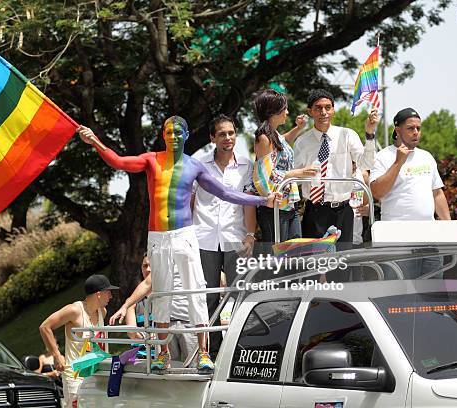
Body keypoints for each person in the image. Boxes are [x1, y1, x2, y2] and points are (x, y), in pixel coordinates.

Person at [78, 116, 278, 371]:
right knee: (161, 295)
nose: (173, 136)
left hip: (185, 235)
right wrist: (94, 140)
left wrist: (264, 201)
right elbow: (118, 162)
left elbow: (226, 193)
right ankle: (163, 353)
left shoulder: (194, 166)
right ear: (164, 135)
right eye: (169, 132)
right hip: (158, 237)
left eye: (178, 132)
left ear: (185, 136)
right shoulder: (152, 159)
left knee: (195, 291)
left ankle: (204, 352)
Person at [190, 114, 257, 358]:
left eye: (230, 133)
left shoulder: (247, 165)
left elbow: (249, 202)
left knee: (241, 294)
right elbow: (190, 201)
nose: (227, 138)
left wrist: (250, 235)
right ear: (212, 138)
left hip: (235, 237)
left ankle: (242, 348)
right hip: (203, 238)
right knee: (208, 297)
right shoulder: (198, 165)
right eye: (221, 134)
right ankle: (212, 350)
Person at [293, 89, 378, 243]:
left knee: (343, 262)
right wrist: (303, 173)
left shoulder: (347, 135)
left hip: (343, 210)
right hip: (315, 210)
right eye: (318, 108)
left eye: (328, 107)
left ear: (333, 110)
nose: (323, 112)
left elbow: (367, 163)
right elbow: (295, 178)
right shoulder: (302, 142)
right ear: (310, 111)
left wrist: (370, 134)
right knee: (316, 263)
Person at [246, 89, 318, 243]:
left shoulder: (273, 135)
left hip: (288, 205)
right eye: (284, 108)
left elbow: (281, 143)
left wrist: (298, 128)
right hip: (274, 207)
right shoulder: (263, 137)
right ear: (274, 111)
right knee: (278, 258)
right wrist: (299, 172)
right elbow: (266, 176)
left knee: (294, 250)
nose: (287, 112)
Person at [39, 274, 119, 407]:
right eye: (108, 292)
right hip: (75, 375)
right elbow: (45, 327)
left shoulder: (102, 312)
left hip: (95, 373)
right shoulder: (74, 310)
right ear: (99, 294)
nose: (111, 296)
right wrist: (57, 355)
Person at [113, 254, 198, 366]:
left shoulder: (169, 291)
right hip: (143, 354)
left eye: (151, 265)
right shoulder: (134, 302)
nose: (148, 269)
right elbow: (132, 332)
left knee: (191, 367)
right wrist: (147, 335)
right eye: (144, 266)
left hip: (176, 329)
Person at [370, 107, 450, 221]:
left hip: (427, 230)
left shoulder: (426, 156)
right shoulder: (382, 156)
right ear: (397, 131)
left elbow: (437, 194)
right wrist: (398, 163)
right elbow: (377, 193)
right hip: (395, 230)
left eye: (418, 128)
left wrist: (449, 225)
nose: (416, 132)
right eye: (410, 128)